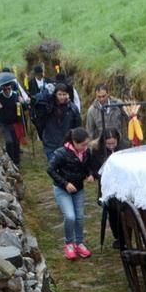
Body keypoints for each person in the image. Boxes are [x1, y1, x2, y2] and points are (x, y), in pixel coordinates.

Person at [47, 127, 101, 260]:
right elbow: (50, 170)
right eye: (82, 145)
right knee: (70, 216)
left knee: (80, 217)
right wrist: (65, 183)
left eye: (86, 144)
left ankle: (79, 243)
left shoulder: (86, 152)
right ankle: (69, 243)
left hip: (79, 189)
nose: (85, 147)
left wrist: (90, 175)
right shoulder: (61, 153)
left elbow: (88, 166)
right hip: (62, 189)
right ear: (74, 142)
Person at [34, 82, 83, 162]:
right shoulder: (48, 107)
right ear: (55, 94)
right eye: (59, 94)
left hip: (66, 144)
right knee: (53, 166)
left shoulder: (73, 109)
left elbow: (77, 126)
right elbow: (40, 120)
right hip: (50, 143)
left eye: (64, 94)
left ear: (68, 95)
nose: (62, 97)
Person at [0, 82, 23, 166]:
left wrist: (22, 103)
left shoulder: (16, 95)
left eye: (9, 89)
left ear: (11, 88)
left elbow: (24, 108)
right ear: (2, 89)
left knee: (16, 141)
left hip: (15, 122)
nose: (7, 91)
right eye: (5, 89)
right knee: (9, 141)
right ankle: (11, 160)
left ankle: (17, 161)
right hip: (4, 123)